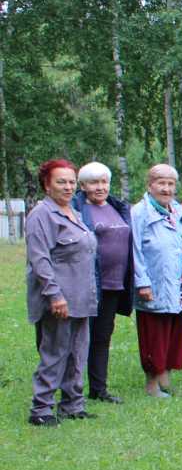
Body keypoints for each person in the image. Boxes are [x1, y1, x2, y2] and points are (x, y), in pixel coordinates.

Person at [25, 160, 98, 425]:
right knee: (54, 353)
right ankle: (41, 409)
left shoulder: (73, 212)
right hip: (59, 299)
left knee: (77, 353)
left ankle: (72, 405)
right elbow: (40, 260)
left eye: (71, 182)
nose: (68, 187)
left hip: (81, 297)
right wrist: (54, 295)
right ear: (47, 185)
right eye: (61, 182)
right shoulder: (41, 215)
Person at [132, 163, 182, 396]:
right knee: (154, 333)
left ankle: (165, 378)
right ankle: (152, 384)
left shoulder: (177, 210)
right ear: (149, 185)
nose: (166, 188)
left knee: (175, 331)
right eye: (161, 183)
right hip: (155, 283)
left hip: (178, 284)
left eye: (170, 184)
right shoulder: (140, 212)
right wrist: (142, 282)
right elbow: (135, 250)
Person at [71, 162, 134, 404]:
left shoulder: (118, 207)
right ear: (83, 185)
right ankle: (72, 391)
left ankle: (99, 389)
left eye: (104, 182)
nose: (100, 187)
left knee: (102, 337)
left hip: (113, 285)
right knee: (78, 339)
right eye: (93, 182)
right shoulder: (77, 209)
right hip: (87, 284)